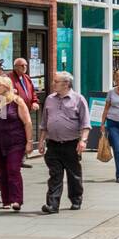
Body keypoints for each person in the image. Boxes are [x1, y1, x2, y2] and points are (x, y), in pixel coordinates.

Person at [38, 71, 90, 214]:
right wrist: (41, 141)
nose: (53, 84)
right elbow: (44, 123)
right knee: (55, 175)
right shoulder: (49, 99)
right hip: (53, 144)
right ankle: (52, 205)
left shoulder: (78, 99)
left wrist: (83, 141)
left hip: (71, 144)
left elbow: (85, 124)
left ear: (66, 84)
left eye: (56, 81)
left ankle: (76, 199)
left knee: (74, 175)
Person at [0, 75, 32, 211]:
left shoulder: (17, 101)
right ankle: (6, 200)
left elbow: (28, 122)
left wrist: (29, 142)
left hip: (15, 141)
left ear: (7, 87)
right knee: (2, 171)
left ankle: (16, 200)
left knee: (13, 169)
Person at [10, 58, 40, 154]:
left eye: (25, 65)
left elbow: (32, 92)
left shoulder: (26, 77)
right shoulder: (9, 77)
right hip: (15, 111)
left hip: (26, 110)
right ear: (15, 67)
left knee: (26, 130)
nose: (24, 67)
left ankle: (22, 155)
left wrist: (34, 102)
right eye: (21, 65)